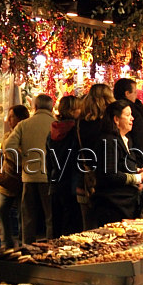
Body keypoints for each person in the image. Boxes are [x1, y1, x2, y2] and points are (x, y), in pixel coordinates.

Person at [5, 94, 55, 244]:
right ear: (51, 107)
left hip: (29, 177)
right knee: (50, 216)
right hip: (49, 177)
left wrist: (21, 162)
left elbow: (8, 146)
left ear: (35, 107)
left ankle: (27, 246)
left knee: (28, 215)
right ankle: (52, 247)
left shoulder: (24, 124)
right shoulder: (55, 124)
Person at [94, 100, 143, 225]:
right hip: (113, 205)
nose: (132, 118)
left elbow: (121, 165)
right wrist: (137, 178)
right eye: (127, 115)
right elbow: (109, 174)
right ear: (116, 119)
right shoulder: (109, 141)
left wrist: (138, 171)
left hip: (127, 203)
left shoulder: (126, 139)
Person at [76, 84, 115, 230]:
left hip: (85, 179)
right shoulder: (110, 126)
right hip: (107, 182)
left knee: (89, 228)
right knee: (109, 229)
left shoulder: (80, 124)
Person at [46, 96, 83, 236]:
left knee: (57, 225)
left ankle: (54, 254)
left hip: (56, 183)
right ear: (73, 111)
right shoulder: (76, 132)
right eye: (79, 108)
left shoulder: (53, 132)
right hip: (72, 184)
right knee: (72, 229)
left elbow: (48, 161)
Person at [0, 105, 30, 248]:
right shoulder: (7, 135)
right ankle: (6, 241)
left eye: (12, 116)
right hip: (7, 178)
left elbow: (20, 155)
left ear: (20, 118)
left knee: (22, 212)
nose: (9, 120)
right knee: (2, 209)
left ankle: (23, 241)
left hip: (22, 178)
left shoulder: (25, 134)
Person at [113, 78, 143, 157]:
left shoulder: (112, 108)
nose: (137, 95)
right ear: (127, 93)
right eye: (135, 92)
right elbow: (139, 136)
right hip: (132, 155)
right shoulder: (132, 110)